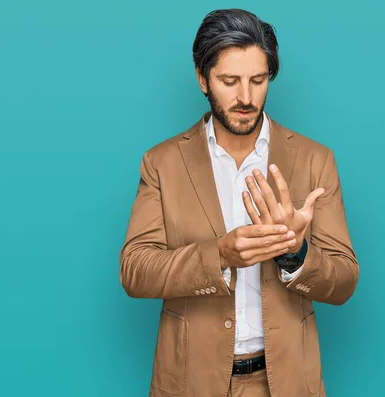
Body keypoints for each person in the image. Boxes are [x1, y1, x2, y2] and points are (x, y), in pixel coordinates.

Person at [119, 8, 359, 397]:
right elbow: (134, 269)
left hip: (285, 382)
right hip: (190, 381)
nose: (246, 97)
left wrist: (296, 254)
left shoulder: (316, 160)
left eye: (258, 80)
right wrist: (218, 255)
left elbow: (345, 281)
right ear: (202, 79)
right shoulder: (161, 163)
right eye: (229, 81)